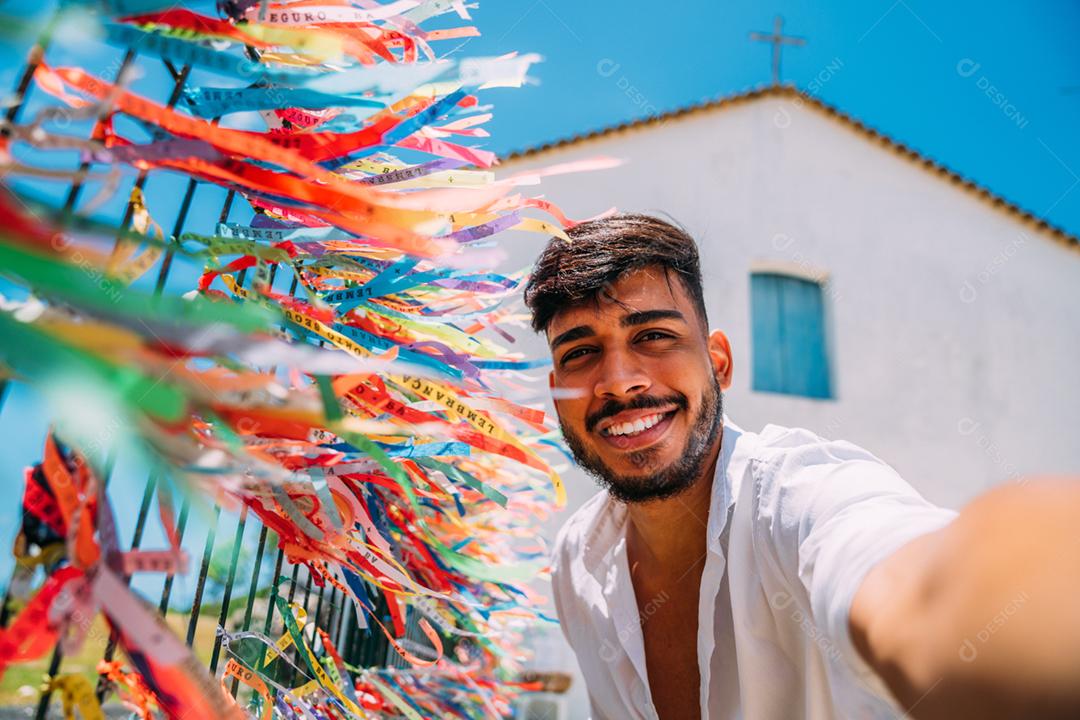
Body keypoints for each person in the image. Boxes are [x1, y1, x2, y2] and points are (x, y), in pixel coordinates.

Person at [523, 213, 1080, 720]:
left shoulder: (798, 497)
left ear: (718, 363)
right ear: (557, 392)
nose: (619, 380)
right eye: (580, 352)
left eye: (654, 336)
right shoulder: (576, 562)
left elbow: (914, 582)